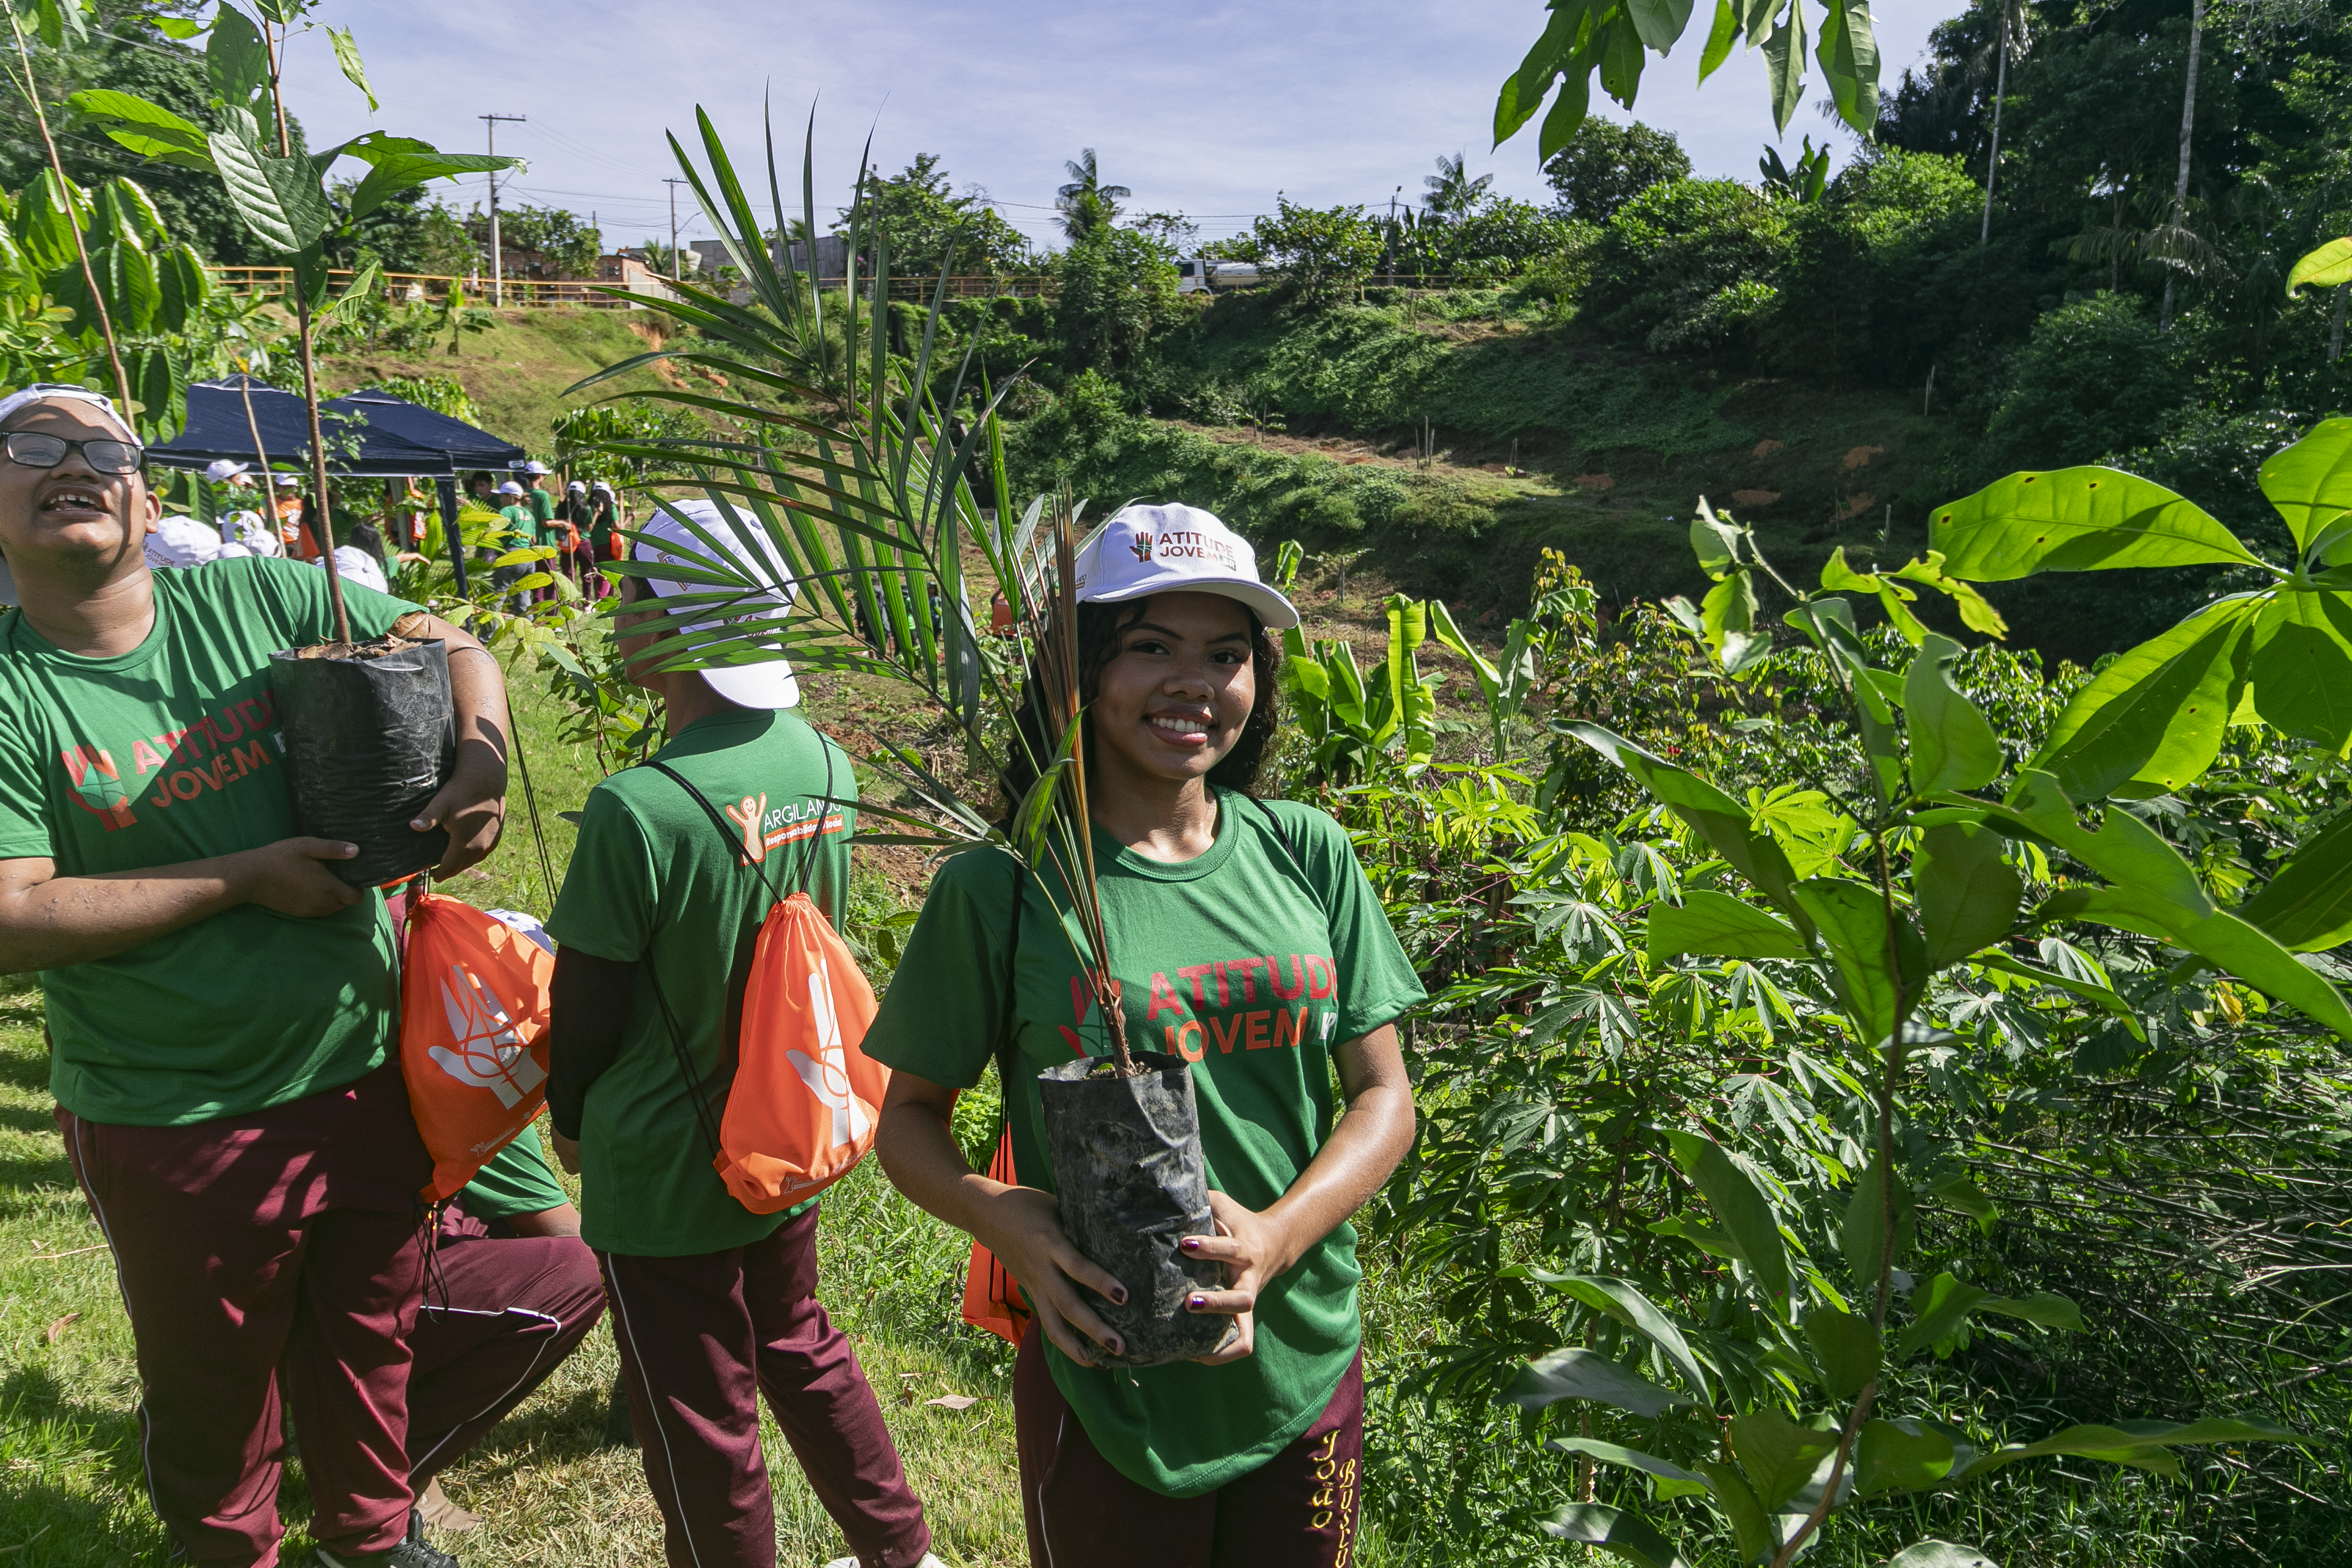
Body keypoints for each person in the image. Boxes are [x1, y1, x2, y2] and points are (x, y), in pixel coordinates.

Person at [0, 385, 511, 1568]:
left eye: (103, 447)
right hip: (174, 1109)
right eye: (34, 444)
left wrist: (478, 758)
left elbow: (453, 641)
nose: (73, 462)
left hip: (358, 1069)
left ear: (148, 490)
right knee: (212, 1386)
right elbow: (13, 915)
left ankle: (370, 1540)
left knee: (369, 1336)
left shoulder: (258, 597)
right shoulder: (18, 689)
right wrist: (243, 877)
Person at [867, 502, 1423, 1568]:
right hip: (1111, 1377)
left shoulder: (1306, 852)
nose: (1194, 684)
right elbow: (909, 1123)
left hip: (1301, 1358)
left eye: (1226, 654)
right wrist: (1007, 1222)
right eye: (1151, 648)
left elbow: (1383, 1098)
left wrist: (1276, 1238)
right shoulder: (1007, 889)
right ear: (1078, 671)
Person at [543, 499, 941, 1568]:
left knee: (697, 1409)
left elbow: (587, 1008)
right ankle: (903, 1551)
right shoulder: (823, 763)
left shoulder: (640, 807)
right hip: (786, 1122)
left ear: (677, 623)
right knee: (797, 1340)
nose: (613, 605)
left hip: (661, 1161)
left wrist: (569, 1122)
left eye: (631, 589)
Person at [403, 1130, 605, 1545]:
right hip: (333, 1304)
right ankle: (390, 1468)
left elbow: (528, 1201)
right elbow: (561, 1230)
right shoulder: (471, 1081)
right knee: (574, 1276)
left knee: (491, 1217)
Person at [491, 480, 536, 613]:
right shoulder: (529, 515)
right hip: (528, 557)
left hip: (512, 555)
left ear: (510, 497)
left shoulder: (507, 510)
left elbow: (494, 529)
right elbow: (534, 539)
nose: (500, 499)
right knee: (523, 599)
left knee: (497, 596)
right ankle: (528, 632)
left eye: (502, 496)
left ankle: (488, 633)